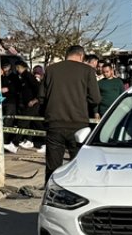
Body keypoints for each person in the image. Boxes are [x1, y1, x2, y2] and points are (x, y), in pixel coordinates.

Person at [39, 45, 101, 179]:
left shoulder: (51, 70)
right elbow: (95, 99)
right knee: (79, 164)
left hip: (54, 123)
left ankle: (52, 192)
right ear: (81, 56)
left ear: (66, 55)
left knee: (53, 166)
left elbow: (41, 97)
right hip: (78, 124)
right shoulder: (87, 71)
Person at [13, 60, 42, 150]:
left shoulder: (29, 76)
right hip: (27, 104)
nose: (17, 69)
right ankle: (38, 142)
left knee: (23, 122)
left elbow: (38, 89)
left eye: (18, 68)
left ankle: (14, 143)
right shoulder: (22, 77)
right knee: (37, 124)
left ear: (23, 67)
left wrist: (34, 100)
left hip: (32, 104)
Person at [0, 61, 20, 152]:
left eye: (6, 67)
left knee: (8, 122)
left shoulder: (14, 77)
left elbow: (16, 88)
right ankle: (3, 141)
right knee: (3, 122)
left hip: (10, 102)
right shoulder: (1, 77)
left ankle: (6, 142)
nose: (5, 70)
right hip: (1, 101)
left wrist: (8, 89)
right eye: (3, 68)